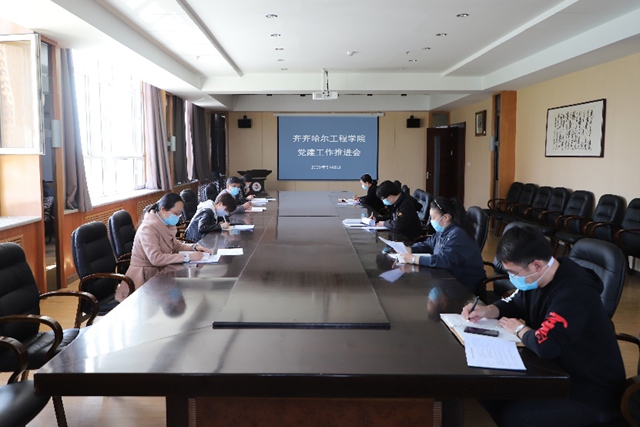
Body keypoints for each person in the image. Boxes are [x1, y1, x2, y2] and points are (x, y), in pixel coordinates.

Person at [462, 224, 625, 427]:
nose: (512, 278)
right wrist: (488, 310)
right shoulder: (539, 278)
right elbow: (515, 302)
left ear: (537, 265)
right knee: (489, 391)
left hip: (589, 391)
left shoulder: (574, 290)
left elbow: (546, 344)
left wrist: (519, 329)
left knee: (515, 417)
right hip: (555, 372)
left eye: (513, 272)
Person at [118, 193, 212, 301]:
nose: (178, 217)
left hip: (161, 271)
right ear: (163, 209)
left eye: (180, 214)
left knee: (186, 289)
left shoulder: (165, 223)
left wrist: (194, 247)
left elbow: (175, 245)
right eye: (176, 213)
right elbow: (156, 258)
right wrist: (188, 257)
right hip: (144, 277)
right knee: (177, 293)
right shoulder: (148, 228)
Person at [400, 197, 486, 293]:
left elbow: (444, 260)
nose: (431, 220)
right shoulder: (443, 230)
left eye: (433, 217)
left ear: (446, 217)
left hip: (464, 286)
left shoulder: (458, 234)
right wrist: (410, 249)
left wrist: (414, 259)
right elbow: (429, 244)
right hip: (448, 279)